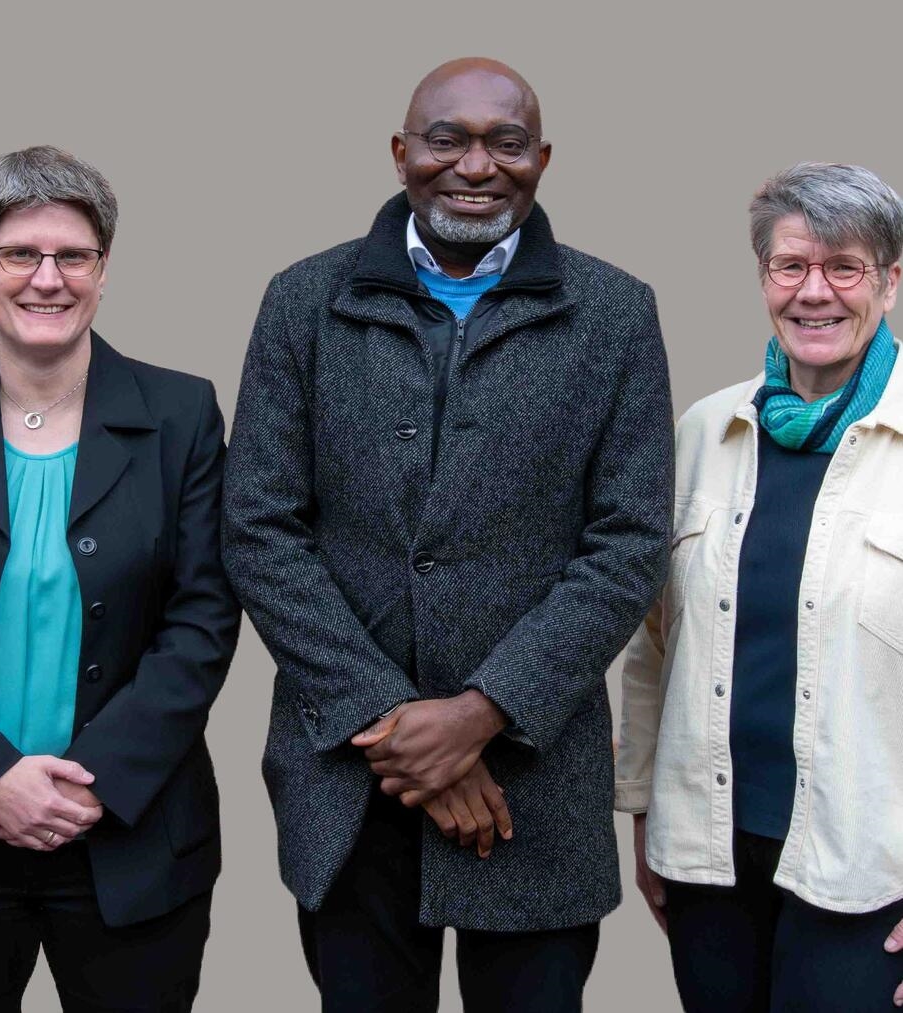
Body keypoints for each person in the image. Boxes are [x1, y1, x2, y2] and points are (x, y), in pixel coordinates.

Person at [222, 57, 673, 1012]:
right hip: (350, 780)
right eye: (446, 139)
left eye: (506, 142)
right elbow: (259, 526)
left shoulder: (616, 314)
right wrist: (396, 724)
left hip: (531, 784)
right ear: (400, 154)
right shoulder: (304, 300)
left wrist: (480, 713)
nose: (476, 165)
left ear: (543, 158)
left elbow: (628, 543)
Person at [0, 145, 240, 1012]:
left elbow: (204, 617)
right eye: (20, 254)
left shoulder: (181, 414)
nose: (47, 279)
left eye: (73, 256)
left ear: (104, 271)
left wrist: (90, 779)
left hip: (130, 842)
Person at [616, 161, 903, 1011]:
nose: (815, 293)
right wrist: (644, 812)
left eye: (844, 267)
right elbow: (653, 642)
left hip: (865, 865)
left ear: (890, 282)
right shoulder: (707, 429)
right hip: (709, 854)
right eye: (791, 266)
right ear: (763, 278)